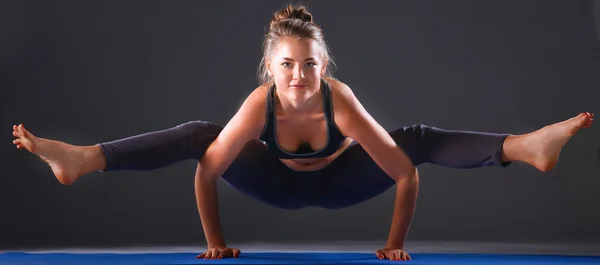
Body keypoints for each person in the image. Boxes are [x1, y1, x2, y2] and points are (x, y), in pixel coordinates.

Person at [11, 4, 594, 262]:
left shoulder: (339, 101)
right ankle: (86, 158)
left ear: (325, 67)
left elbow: (404, 173)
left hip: (342, 184)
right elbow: (210, 169)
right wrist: (215, 242)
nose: (298, 77)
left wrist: (393, 243)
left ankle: (525, 147)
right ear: (271, 68)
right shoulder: (258, 102)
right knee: (200, 136)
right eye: (287, 66)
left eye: (309, 65)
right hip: (276, 184)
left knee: (411, 138)